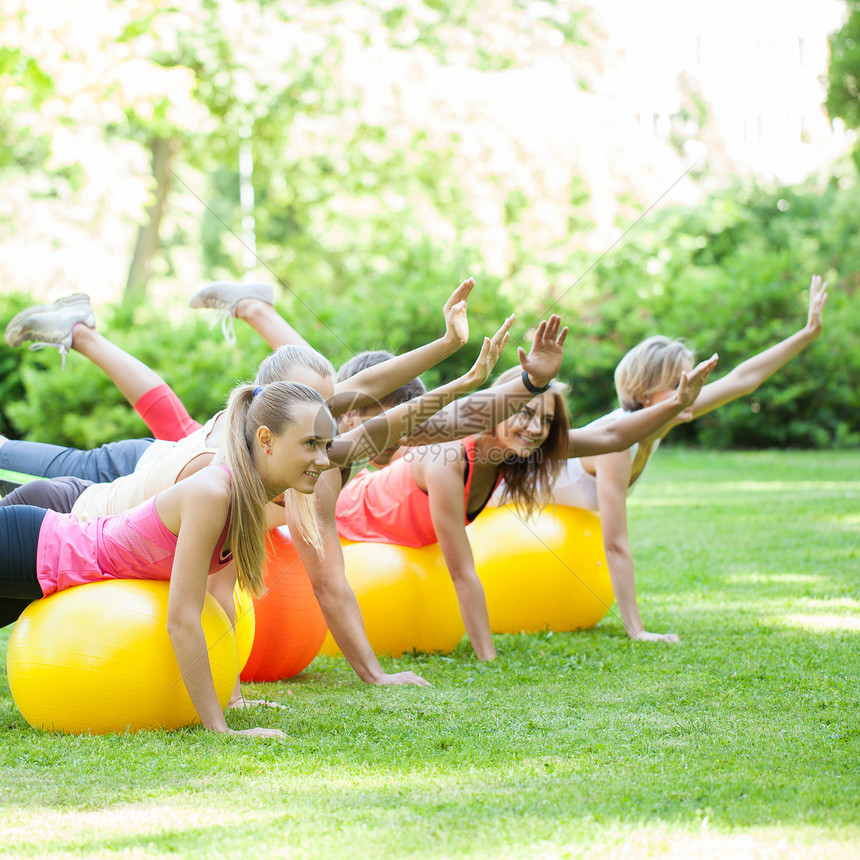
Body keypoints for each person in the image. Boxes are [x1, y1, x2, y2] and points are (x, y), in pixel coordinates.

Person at [0, 380, 335, 736]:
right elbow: (183, 618)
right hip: (38, 549)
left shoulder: (247, 503)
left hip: (49, 569)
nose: (324, 459)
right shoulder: (213, 493)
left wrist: (232, 696)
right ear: (266, 440)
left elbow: (220, 604)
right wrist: (221, 731)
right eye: (310, 444)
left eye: (327, 446)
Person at [334, 353, 718, 660]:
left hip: (399, 536)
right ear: (497, 411)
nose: (535, 428)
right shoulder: (448, 458)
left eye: (547, 421)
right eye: (526, 413)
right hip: (352, 517)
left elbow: (613, 435)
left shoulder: (517, 450)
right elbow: (462, 571)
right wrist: (488, 658)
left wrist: (677, 406)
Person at [535, 275, 828, 644]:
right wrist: (637, 631)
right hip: (500, 502)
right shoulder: (617, 442)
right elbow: (614, 543)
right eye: (679, 385)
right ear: (644, 395)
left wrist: (808, 332)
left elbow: (742, 380)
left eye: (691, 383)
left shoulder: (670, 409)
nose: (690, 393)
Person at [0, 279, 481, 482]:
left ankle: (82, 334)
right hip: (131, 468)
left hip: (167, 460)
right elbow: (369, 391)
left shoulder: (325, 436)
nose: (401, 446)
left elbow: (434, 420)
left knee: (185, 424)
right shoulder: (316, 422)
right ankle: (254, 308)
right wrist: (447, 346)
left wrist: (467, 367)